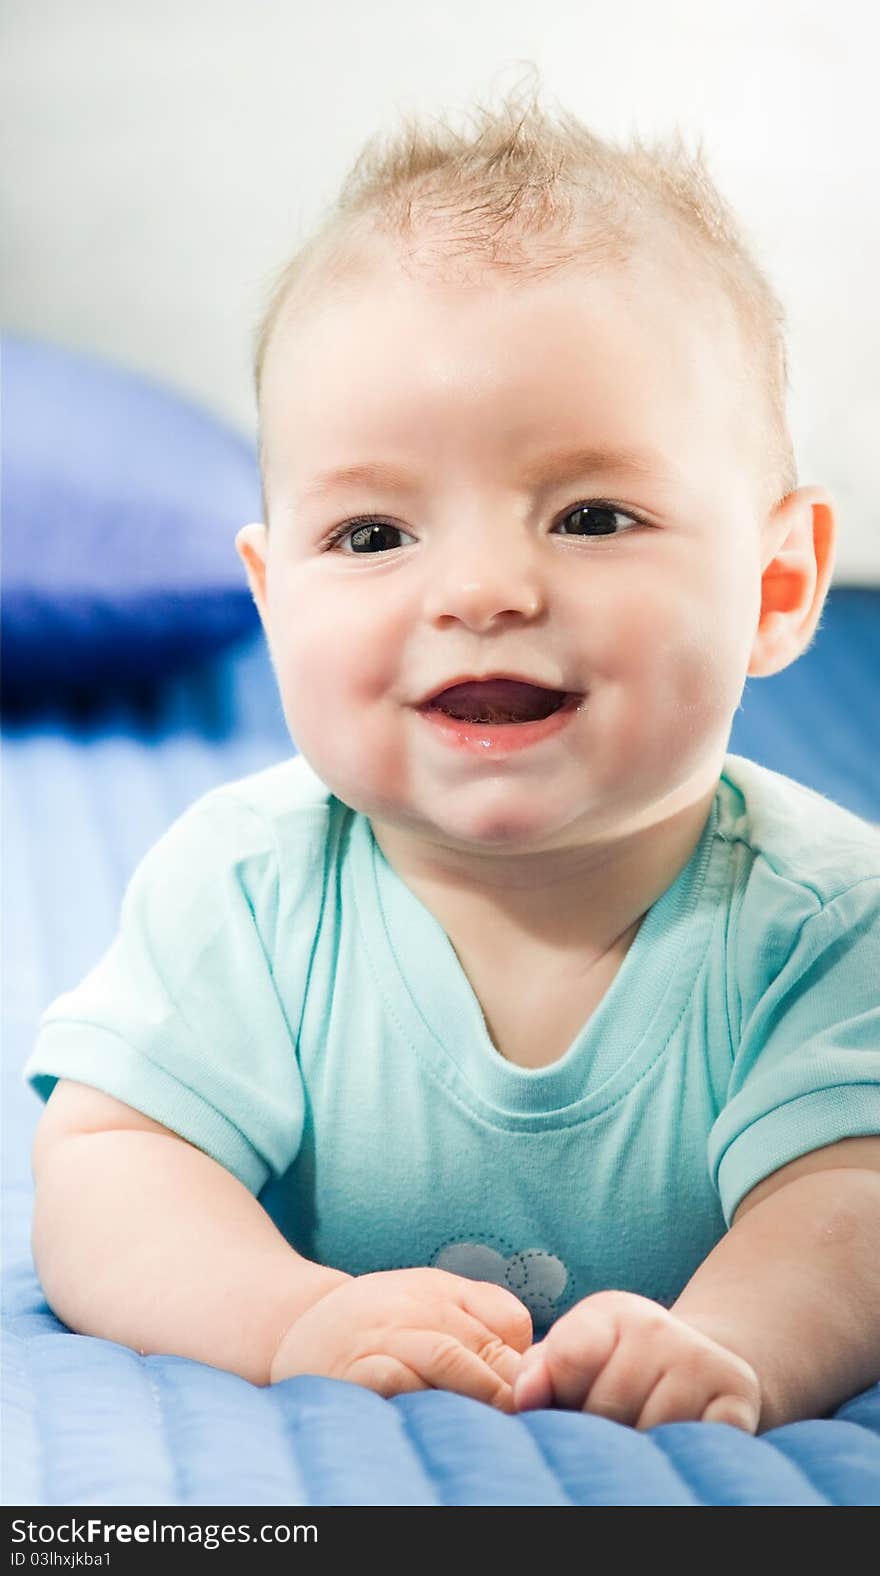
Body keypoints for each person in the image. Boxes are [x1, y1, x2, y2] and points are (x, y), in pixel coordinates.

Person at [25, 81, 880, 1434]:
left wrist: (736, 1344)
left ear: (777, 590)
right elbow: (114, 1160)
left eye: (593, 515)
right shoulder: (245, 890)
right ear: (270, 596)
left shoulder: (827, 922)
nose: (481, 590)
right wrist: (283, 1315)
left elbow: (854, 1195)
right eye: (373, 537)